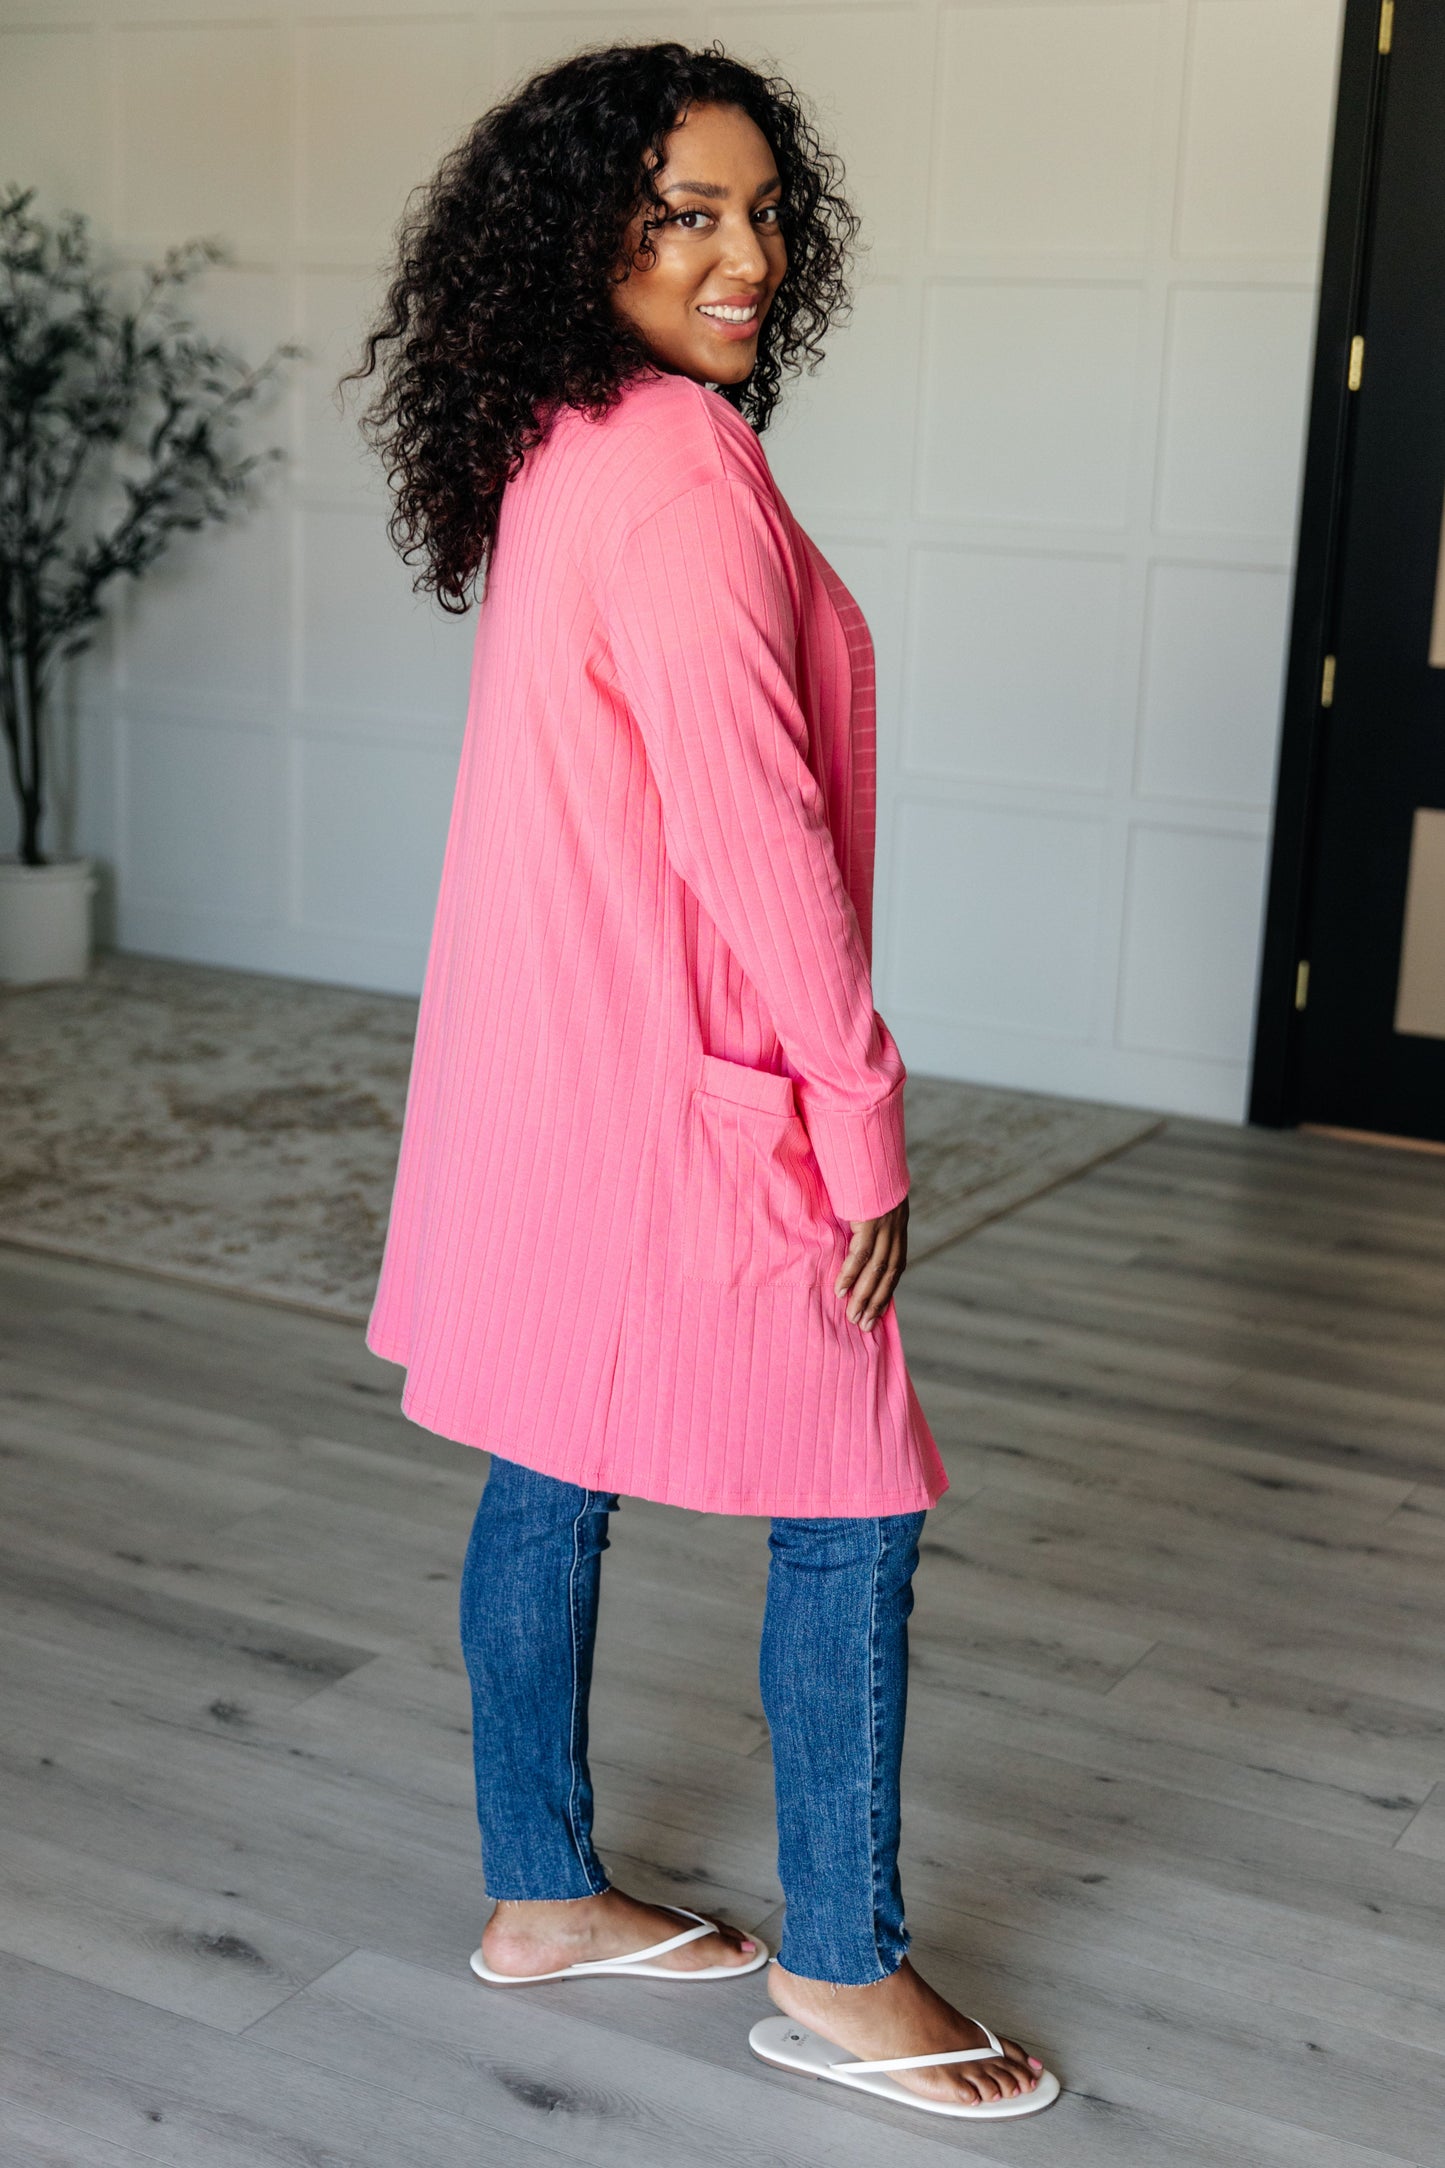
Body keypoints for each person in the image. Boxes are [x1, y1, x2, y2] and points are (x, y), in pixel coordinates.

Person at [346, 38, 1057, 2121]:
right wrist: (858, 1114)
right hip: (688, 1084)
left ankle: (543, 1894)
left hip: (557, 1074)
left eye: (760, 213)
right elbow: (757, 837)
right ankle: (841, 1965)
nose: (743, 256)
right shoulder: (674, 469)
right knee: (852, 1499)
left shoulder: (570, 435)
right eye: (685, 215)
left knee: (552, 1454)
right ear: (585, 238)